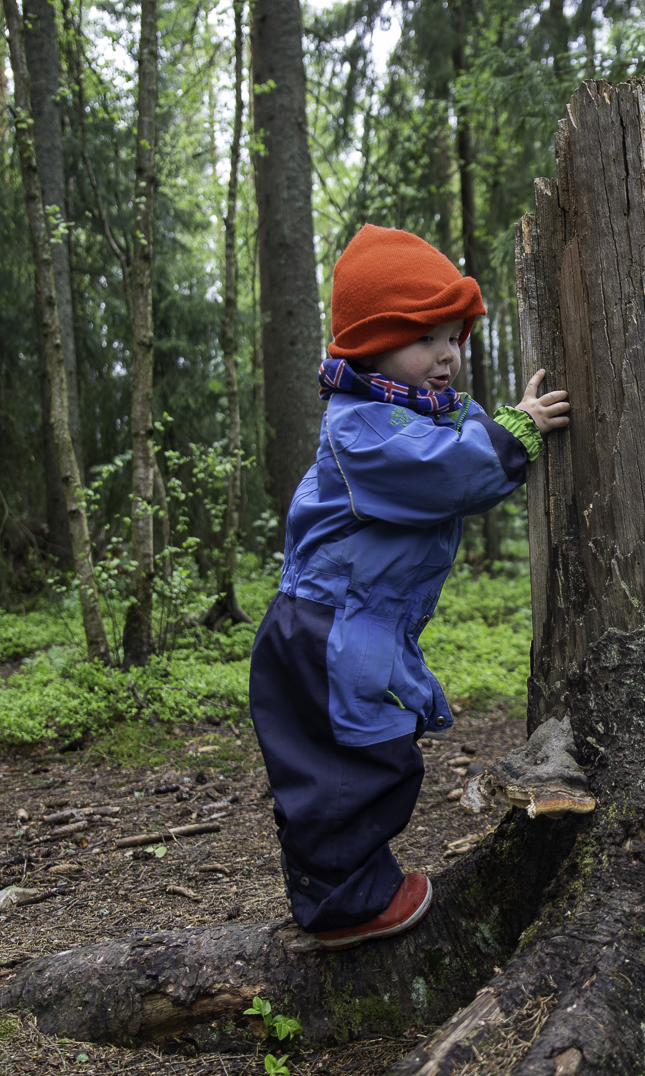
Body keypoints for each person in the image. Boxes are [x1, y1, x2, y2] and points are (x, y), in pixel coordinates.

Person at [248, 224, 571, 950]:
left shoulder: (399, 411)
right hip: (325, 629)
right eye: (427, 338)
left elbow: (452, 430)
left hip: (353, 625)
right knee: (350, 767)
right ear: (371, 343)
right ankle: (342, 902)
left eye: (455, 337)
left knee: (367, 755)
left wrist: (504, 418)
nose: (448, 355)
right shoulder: (361, 428)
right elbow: (443, 471)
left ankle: (340, 890)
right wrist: (513, 434)